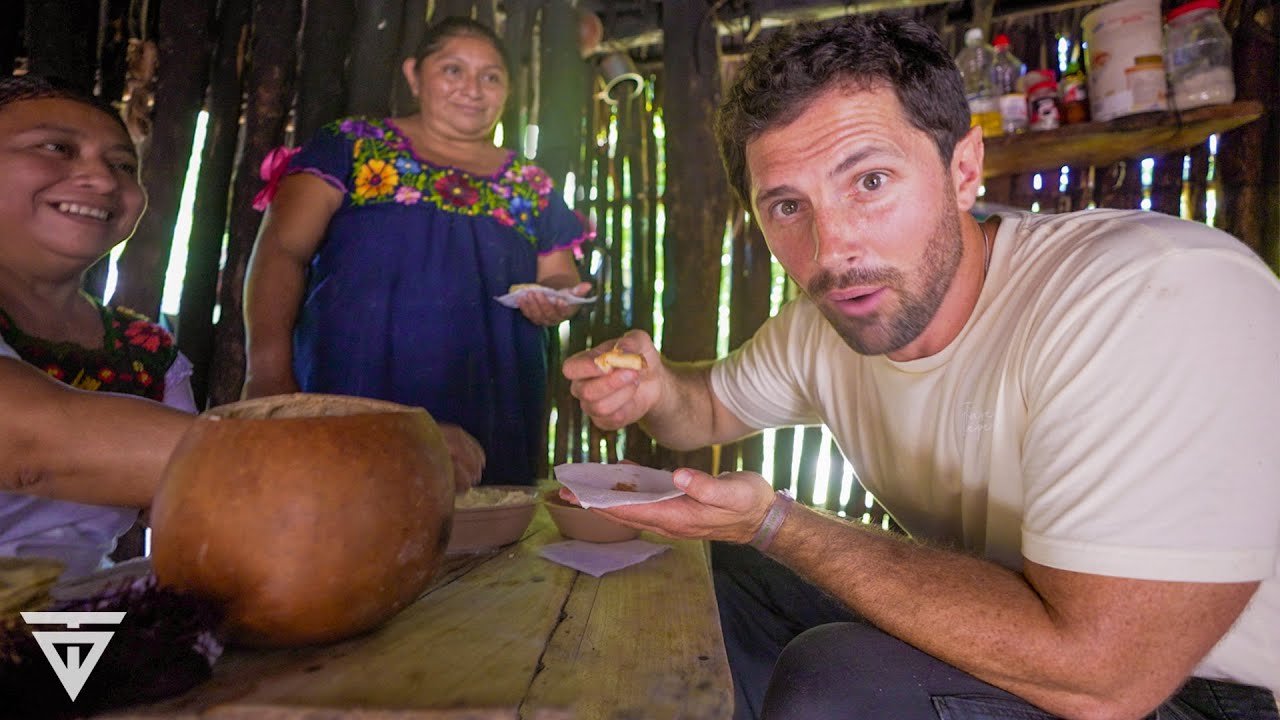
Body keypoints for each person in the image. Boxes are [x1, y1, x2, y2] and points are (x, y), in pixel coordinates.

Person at [563, 15, 1279, 720]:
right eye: (787, 205)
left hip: (1204, 691)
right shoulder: (827, 325)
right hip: (1043, 640)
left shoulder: (1149, 295)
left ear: (962, 170)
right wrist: (654, 387)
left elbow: (1105, 680)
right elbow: (706, 411)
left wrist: (777, 523)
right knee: (725, 576)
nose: (833, 248)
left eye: (870, 180)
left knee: (838, 681)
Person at [243, 16, 592, 488]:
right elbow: (282, 251)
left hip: (494, 412)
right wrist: (267, 372)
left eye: (491, 77)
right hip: (353, 392)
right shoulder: (352, 147)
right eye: (453, 70)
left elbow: (559, 275)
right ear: (413, 74)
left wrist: (555, 299)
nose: (473, 89)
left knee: (487, 523)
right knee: (345, 509)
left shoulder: (530, 185)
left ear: (507, 91)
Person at [0, 75, 197, 579]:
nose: (105, 180)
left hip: (66, 615)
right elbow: (34, 443)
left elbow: (194, 504)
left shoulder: (144, 351)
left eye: (123, 165)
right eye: (56, 148)